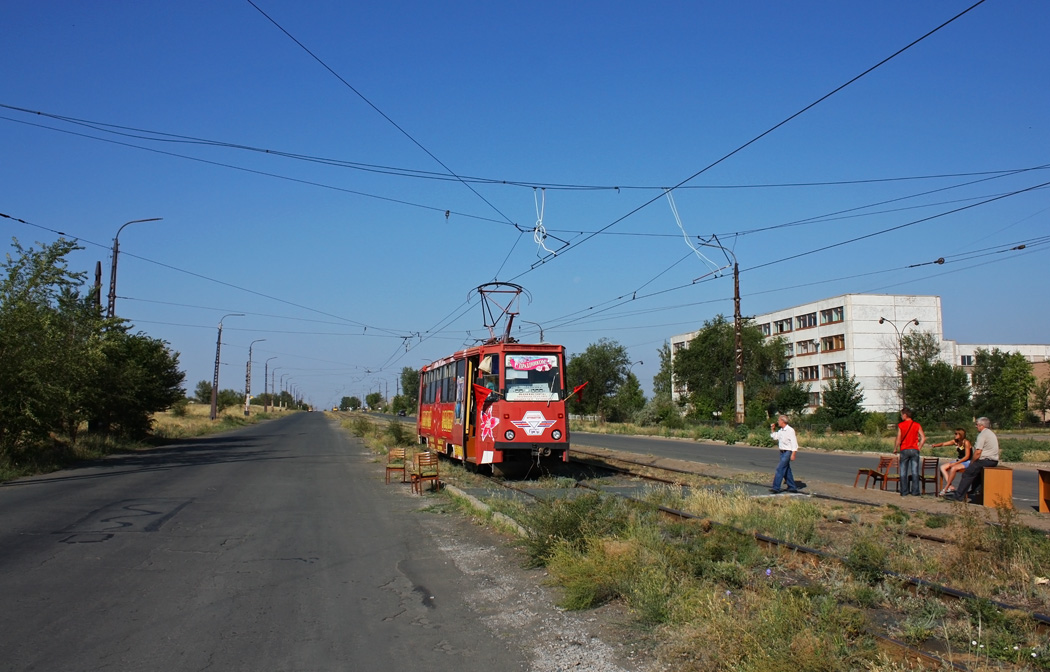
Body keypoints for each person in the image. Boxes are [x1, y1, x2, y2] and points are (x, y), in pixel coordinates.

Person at [945, 417, 999, 502]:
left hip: (986, 460)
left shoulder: (982, 435)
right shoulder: (990, 433)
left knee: (968, 473)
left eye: (977, 425)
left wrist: (972, 462)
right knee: (976, 473)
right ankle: (975, 490)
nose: (976, 426)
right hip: (993, 460)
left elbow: (978, 452)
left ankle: (958, 496)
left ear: (982, 425)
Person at [893, 407, 925, 497]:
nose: (901, 416)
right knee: (915, 471)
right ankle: (915, 491)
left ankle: (904, 491)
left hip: (904, 449)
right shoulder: (917, 425)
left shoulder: (901, 425)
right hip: (914, 449)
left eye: (901, 415)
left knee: (903, 471)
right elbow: (923, 438)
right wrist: (919, 447)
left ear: (905, 415)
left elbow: (899, 439)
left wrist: (895, 448)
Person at [930, 428, 972, 497]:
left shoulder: (966, 442)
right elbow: (944, 444)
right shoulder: (956, 441)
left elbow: (967, 456)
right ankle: (950, 486)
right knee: (942, 467)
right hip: (959, 460)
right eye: (955, 433)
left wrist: (956, 463)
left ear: (960, 435)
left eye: (956, 434)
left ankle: (946, 488)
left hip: (967, 461)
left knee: (953, 468)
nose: (954, 435)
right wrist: (936, 445)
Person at [769, 415, 799, 494]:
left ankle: (776, 487)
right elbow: (775, 437)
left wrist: (793, 454)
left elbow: (794, 443)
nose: (778, 422)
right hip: (782, 452)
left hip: (788, 452)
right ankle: (792, 487)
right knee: (786, 470)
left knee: (780, 469)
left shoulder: (790, 430)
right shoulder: (781, 431)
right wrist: (772, 430)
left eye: (779, 420)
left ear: (783, 421)